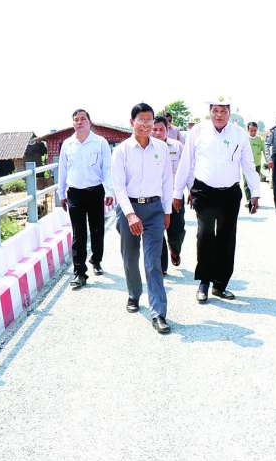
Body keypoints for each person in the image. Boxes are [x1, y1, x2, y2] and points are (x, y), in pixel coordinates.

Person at [172, 96, 260, 303]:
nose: (219, 115)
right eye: (215, 111)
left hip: (230, 193)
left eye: (223, 111)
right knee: (205, 235)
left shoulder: (239, 134)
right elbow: (186, 162)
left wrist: (255, 191)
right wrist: (177, 192)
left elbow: (248, 164)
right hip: (204, 192)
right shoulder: (198, 131)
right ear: (210, 111)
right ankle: (204, 281)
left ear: (230, 112)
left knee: (226, 238)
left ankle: (220, 285)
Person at [111, 103, 173, 334]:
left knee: (153, 263)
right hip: (129, 208)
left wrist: (167, 211)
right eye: (141, 120)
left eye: (150, 120)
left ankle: (158, 313)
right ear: (132, 122)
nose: (146, 124)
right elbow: (118, 186)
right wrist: (130, 215)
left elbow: (167, 180)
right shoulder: (122, 151)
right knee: (130, 257)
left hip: (154, 209)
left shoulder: (161, 148)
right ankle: (133, 294)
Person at [58, 108, 113, 289]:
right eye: (76, 119)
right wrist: (61, 193)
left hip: (95, 191)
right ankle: (79, 273)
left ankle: (96, 260)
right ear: (73, 123)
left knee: (97, 230)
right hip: (74, 193)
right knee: (78, 233)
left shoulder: (100, 142)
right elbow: (62, 170)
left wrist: (110, 191)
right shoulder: (67, 144)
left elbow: (107, 169)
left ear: (90, 122)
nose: (79, 122)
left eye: (83, 119)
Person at [152, 116, 186, 274]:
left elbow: (186, 170)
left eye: (161, 129)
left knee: (176, 230)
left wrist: (191, 190)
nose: (158, 133)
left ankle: (175, 249)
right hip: (154, 198)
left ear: (167, 130)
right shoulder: (146, 148)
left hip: (175, 196)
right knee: (157, 231)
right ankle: (162, 266)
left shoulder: (177, 146)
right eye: (155, 129)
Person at [244, 121, 265, 202]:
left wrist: (268, 161)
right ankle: (249, 200)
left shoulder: (260, 139)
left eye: (255, 130)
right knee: (247, 183)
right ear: (248, 130)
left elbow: (264, 150)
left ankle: (255, 201)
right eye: (251, 130)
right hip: (247, 165)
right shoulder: (245, 139)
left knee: (255, 183)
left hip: (257, 165)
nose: (253, 132)